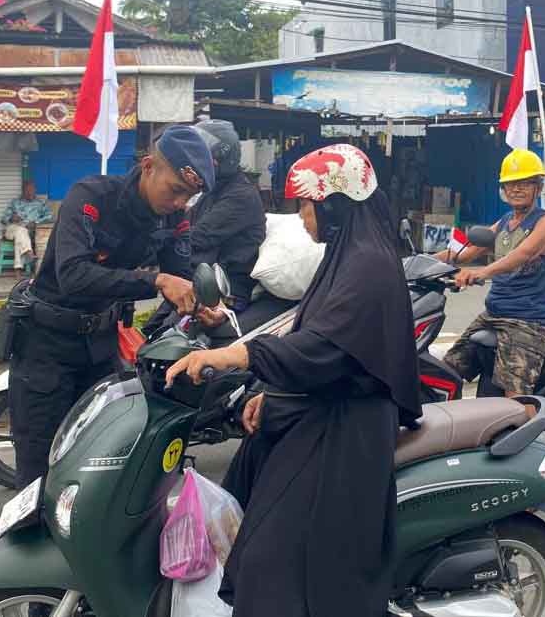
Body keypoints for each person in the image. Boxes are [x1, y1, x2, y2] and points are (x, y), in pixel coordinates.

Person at [165, 143, 420, 617]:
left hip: (346, 432)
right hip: (320, 413)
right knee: (246, 516)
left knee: (272, 562)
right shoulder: (347, 255)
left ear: (335, 205)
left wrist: (233, 355)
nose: (302, 217)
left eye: (306, 205)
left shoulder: (369, 266)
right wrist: (271, 391)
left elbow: (324, 350)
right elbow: (309, 330)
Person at [8, 125, 213, 487]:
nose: (181, 203)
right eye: (176, 190)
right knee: (38, 476)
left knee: (98, 467)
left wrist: (199, 304)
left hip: (101, 349)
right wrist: (155, 281)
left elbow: (179, 274)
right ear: (149, 166)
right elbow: (73, 275)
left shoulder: (173, 218)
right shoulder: (91, 196)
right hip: (47, 346)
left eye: (190, 197)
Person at [440, 149, 545, 400]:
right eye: (510, 184)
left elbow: (524, 253)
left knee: (515, 396)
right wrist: (420, 263)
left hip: (528, 318)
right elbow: (467, 251)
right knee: (447, 369)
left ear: (538, 187)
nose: (516, 189)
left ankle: (529, 437)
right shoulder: (505, 220)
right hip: (495, 313)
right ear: (503, 190)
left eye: (525, 183)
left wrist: (481, 272)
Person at [142, 119, 266, 337]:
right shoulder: (212, 193)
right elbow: (182, 229)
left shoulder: (240, 196)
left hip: (224, 294)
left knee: (165, 348)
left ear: (222, 160)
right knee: (151, 332)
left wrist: (145, 255)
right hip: (199, 285)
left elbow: (197, 238)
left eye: (204, 157)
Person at [1, 180, 53, 275]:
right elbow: (3, 219)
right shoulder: (15, 202)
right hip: (13, 228)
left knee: (20, 236)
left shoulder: (40, 203)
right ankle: (29, 253)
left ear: (35, 190)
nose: (29, 192)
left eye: (31, 190)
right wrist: (11, 218)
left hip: (27, 232)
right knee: (21, 231)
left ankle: (18, 269)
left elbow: (49, 216)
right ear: (23, 191)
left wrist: (36, 222)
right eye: (27, 190)